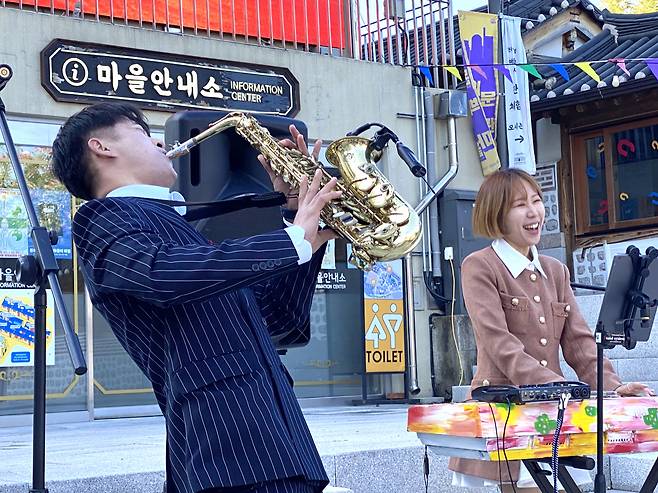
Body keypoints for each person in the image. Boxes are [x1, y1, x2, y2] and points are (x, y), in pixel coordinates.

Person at [50, 102, 341, 493]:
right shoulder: (102, 217)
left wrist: (297, 220)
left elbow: (276, 319)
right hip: (222, 448)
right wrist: (292, 241)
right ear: (101, 147)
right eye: (141, 132)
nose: (157, 141)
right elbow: (159, 273)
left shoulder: (174, 224)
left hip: (275, 440)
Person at [448, 168, 654, 493]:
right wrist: (557, 385)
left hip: (556, 410)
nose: (534, 212)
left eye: (537, 201)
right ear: (496, 214)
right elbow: (498, 341)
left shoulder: (555, 270)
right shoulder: (480, 265)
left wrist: (614, 387)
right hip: (504, 407)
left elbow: (581, 344)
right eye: (520, 205)